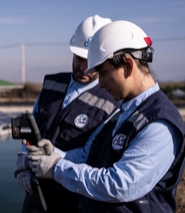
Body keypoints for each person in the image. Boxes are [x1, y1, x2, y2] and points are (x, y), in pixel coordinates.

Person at [26, 20, 185, 213]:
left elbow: (120, 185)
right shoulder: (125, 111)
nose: (99, 84)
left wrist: (57, 168)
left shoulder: (160, 123)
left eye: (103, 73)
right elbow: (89, 154)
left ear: (128, 65)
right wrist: (52, 156)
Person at [14, 15, 120, 213]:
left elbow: (91, 154)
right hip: (34, 197)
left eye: (90, 62)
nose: (83, 67)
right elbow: (30, 127)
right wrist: (24, 161)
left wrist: (52, 158)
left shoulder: (112, 103)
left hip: (70, 201)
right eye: (79, 58)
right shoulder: (51, 84)